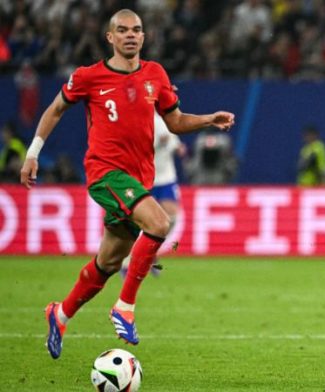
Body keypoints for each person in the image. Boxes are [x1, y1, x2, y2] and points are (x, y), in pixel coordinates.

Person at [19, 9, 235, 359]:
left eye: (136, 30)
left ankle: (60, 314)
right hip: (105, 173)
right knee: (160, 222)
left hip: (138, 179)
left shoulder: (155, 75)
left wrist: (208, 119)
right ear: (110, 37)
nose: (130, 35)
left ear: (144, 36)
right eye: (122, 30)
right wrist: (33, 153)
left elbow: (176, 121)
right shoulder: (89, 77)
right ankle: (125, 306)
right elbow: (55, 109)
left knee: (107, 262)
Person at [121, 112, 187, 278]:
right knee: (136, 220)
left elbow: (173, 141)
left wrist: (177, 147)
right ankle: (128, 260)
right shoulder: (136, 121)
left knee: (171, 216)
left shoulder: (167, 119)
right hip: (144, 177)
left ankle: (151, 251)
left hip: (166, 177)